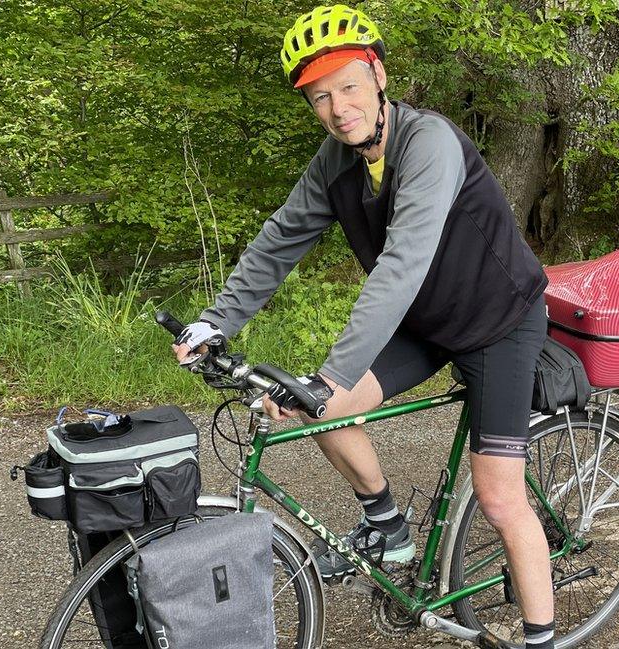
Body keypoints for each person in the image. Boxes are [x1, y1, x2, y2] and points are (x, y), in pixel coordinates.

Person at [173, 5, 555, 647]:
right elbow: (277, 243)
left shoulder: (428, 143)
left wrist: (334, 373)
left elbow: (402, 265)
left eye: (347, 86)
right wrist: (214, 323)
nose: (336, 107)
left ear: (377, 75)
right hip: (426, 322)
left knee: (497, 497)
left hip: (498, 323)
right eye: (319, 97)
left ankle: (541, 635)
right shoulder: (336, 162)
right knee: (315, 406)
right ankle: (389, 527)